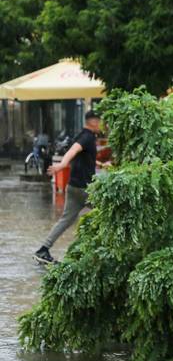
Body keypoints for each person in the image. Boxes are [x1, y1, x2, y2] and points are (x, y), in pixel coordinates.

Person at [34, 110, 103, 264]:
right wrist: (62, 165)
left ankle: (43, 250)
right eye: (100, 121)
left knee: (65, 220)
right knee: (108, 212)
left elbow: (83, 156)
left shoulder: (82, 135)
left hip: (73, 187)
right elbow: (73, 151)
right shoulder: (86, 137)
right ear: (93, 122)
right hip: (85, 189)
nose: (102, 124)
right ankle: (103, 250)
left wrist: (98, 163)